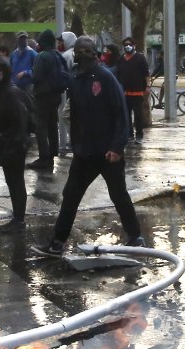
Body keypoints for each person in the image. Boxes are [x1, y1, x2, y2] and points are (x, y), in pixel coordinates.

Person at [31, 37, 145, 257]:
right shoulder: (75, 78)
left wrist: (117, 147)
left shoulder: (106, 78)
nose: (82, 55)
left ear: (95, 53)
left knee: (118, 194)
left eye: (87, 51)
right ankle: (57, 242)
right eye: (79, 51)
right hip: (84, 153)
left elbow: (121, 114)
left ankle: (136, 237)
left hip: (107, 152)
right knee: (71, 196)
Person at [0, 57, 32, 234]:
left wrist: (2, 141)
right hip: (6, 144)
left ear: (5, 72)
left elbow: (19, 122)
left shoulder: (11, 93)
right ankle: (17, 218)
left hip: (15, 145)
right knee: (12, 182)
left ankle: (19, 220)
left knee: (16, 182)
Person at [28, 29, 65, 171]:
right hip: (56, 95)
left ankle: (43, 158)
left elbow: (36, 76)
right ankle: (52, 155)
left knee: (40, 126)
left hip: (42, 95)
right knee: (52, 126)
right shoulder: (57, 55)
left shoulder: (42, 56)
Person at [115, 37, 150, 144]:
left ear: (134, 45)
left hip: (137, 92)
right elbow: (118, 74)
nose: (127, 46)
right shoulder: (121, 59)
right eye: (125, 44)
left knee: (138, 115)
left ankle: (139, 135)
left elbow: (146, 74)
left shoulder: (140, 58)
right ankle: (129, 135)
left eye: (130, 44)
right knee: (126, 115)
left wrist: (147, 86)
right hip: (125, 93)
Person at [58, 31, 77, 155]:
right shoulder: (74, 52)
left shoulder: (67, 55)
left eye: (61, 41)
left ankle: (75, 141)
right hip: (75, 90)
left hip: (73, 91)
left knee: (66, 115)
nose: (59, 44)